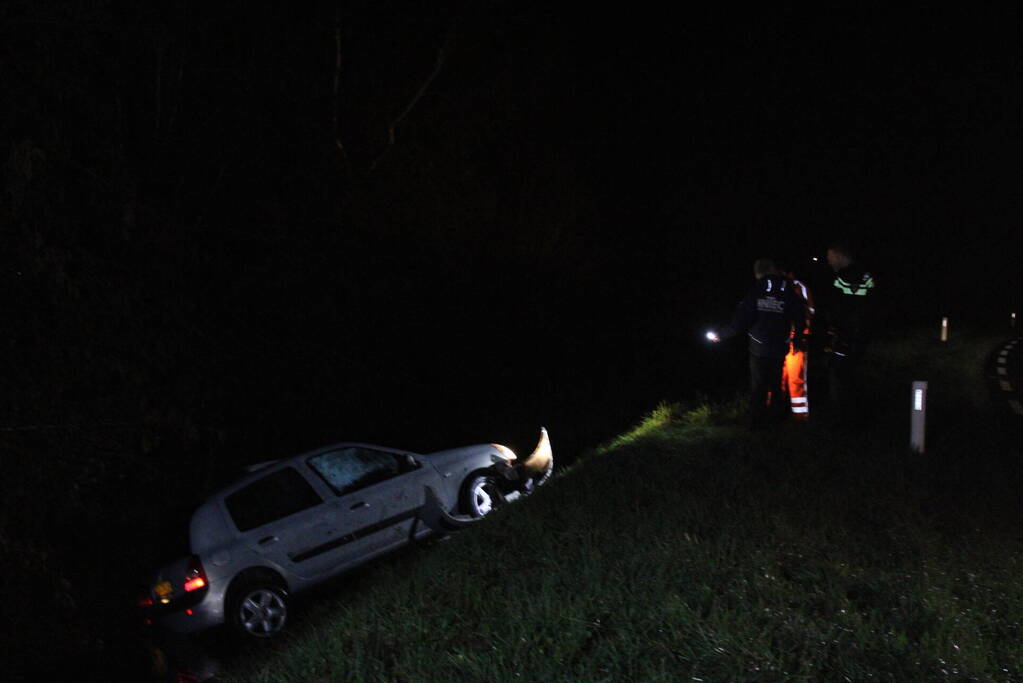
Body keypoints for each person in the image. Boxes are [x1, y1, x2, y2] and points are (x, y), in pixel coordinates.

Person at [710, 258, 807, 429]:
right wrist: (797, 338)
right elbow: (800, 314)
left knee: (759, 386)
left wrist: (721, 334)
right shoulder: (787, 289)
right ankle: (777, 420)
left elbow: (742, 320)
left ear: (758, 273)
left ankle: (758, 424)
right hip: (780, 346)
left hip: (759, 347)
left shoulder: (756, 289)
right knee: (777, 384)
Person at [820, 241, 876, 425]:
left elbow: (839, 308)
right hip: (860, 336)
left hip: (845, 337)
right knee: (852, 376)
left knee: (840, 376)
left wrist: (833, 331)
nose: (828, 262)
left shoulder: (841, 279)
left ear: (839, 255)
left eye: (830, 257)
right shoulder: (866, 275)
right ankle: (854, 417)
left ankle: (842, 421)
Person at [778, 261, 814, 421]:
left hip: (796, 340)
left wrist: (801, 334)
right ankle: (772, 412)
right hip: (777, 339)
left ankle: (800, 417)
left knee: (796, 378)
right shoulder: (773, 286)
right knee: (775, 377)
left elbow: (810, 313)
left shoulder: (801, 288)